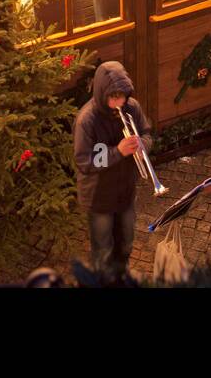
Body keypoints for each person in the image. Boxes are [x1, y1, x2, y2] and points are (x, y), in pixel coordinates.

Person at [73, 61, 153, 281]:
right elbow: (84, 161)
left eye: (122, 96)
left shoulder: (132, 107)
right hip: (98, 197)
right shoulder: (86, 120)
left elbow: (147, 134)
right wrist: (118, 151)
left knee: (126, 241)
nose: (118, 102)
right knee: (103, 250)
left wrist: (142, 145)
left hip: (125, 190)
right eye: (112, 97)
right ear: (101, 93)